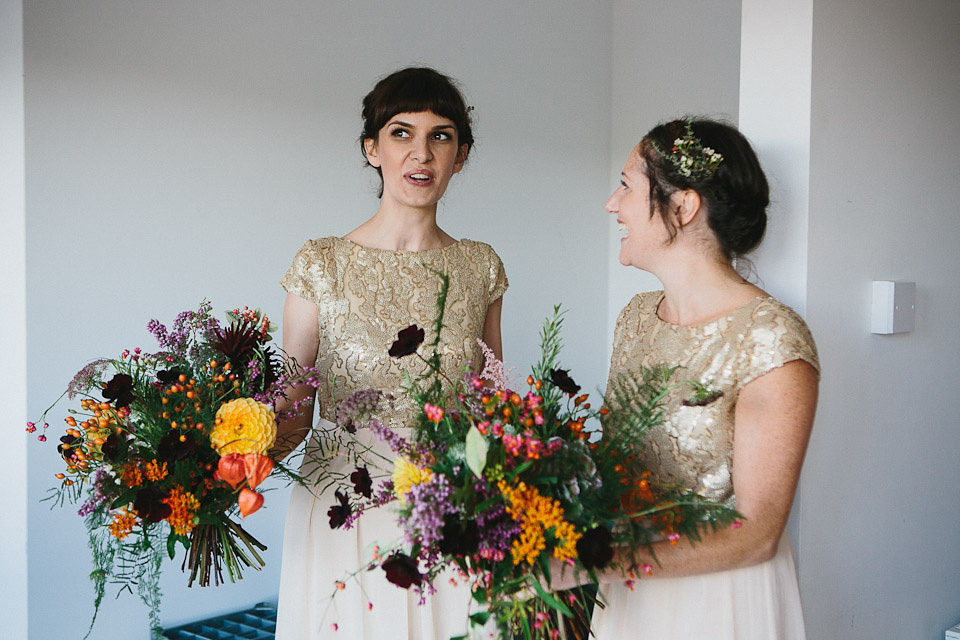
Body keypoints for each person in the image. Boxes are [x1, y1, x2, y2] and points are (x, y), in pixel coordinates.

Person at [559, 118, 819, 639]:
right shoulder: (636, 316)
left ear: (683, 206)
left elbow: (758, 533)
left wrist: (592, 565)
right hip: (630, 595)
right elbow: (619, 471)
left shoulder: (771, 337)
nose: (613, 204)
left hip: (721, 602)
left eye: (628, 185)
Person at [273, 67, 508, 640]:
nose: (420, 153)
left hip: (445, 507)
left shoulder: (480, 266)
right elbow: (291, 410)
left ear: (461, 155)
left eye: (441, 135)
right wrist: (225, 456)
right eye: (401, 133)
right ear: (372, 149)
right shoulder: (319, 262)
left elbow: (492, 407)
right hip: (341, 505)